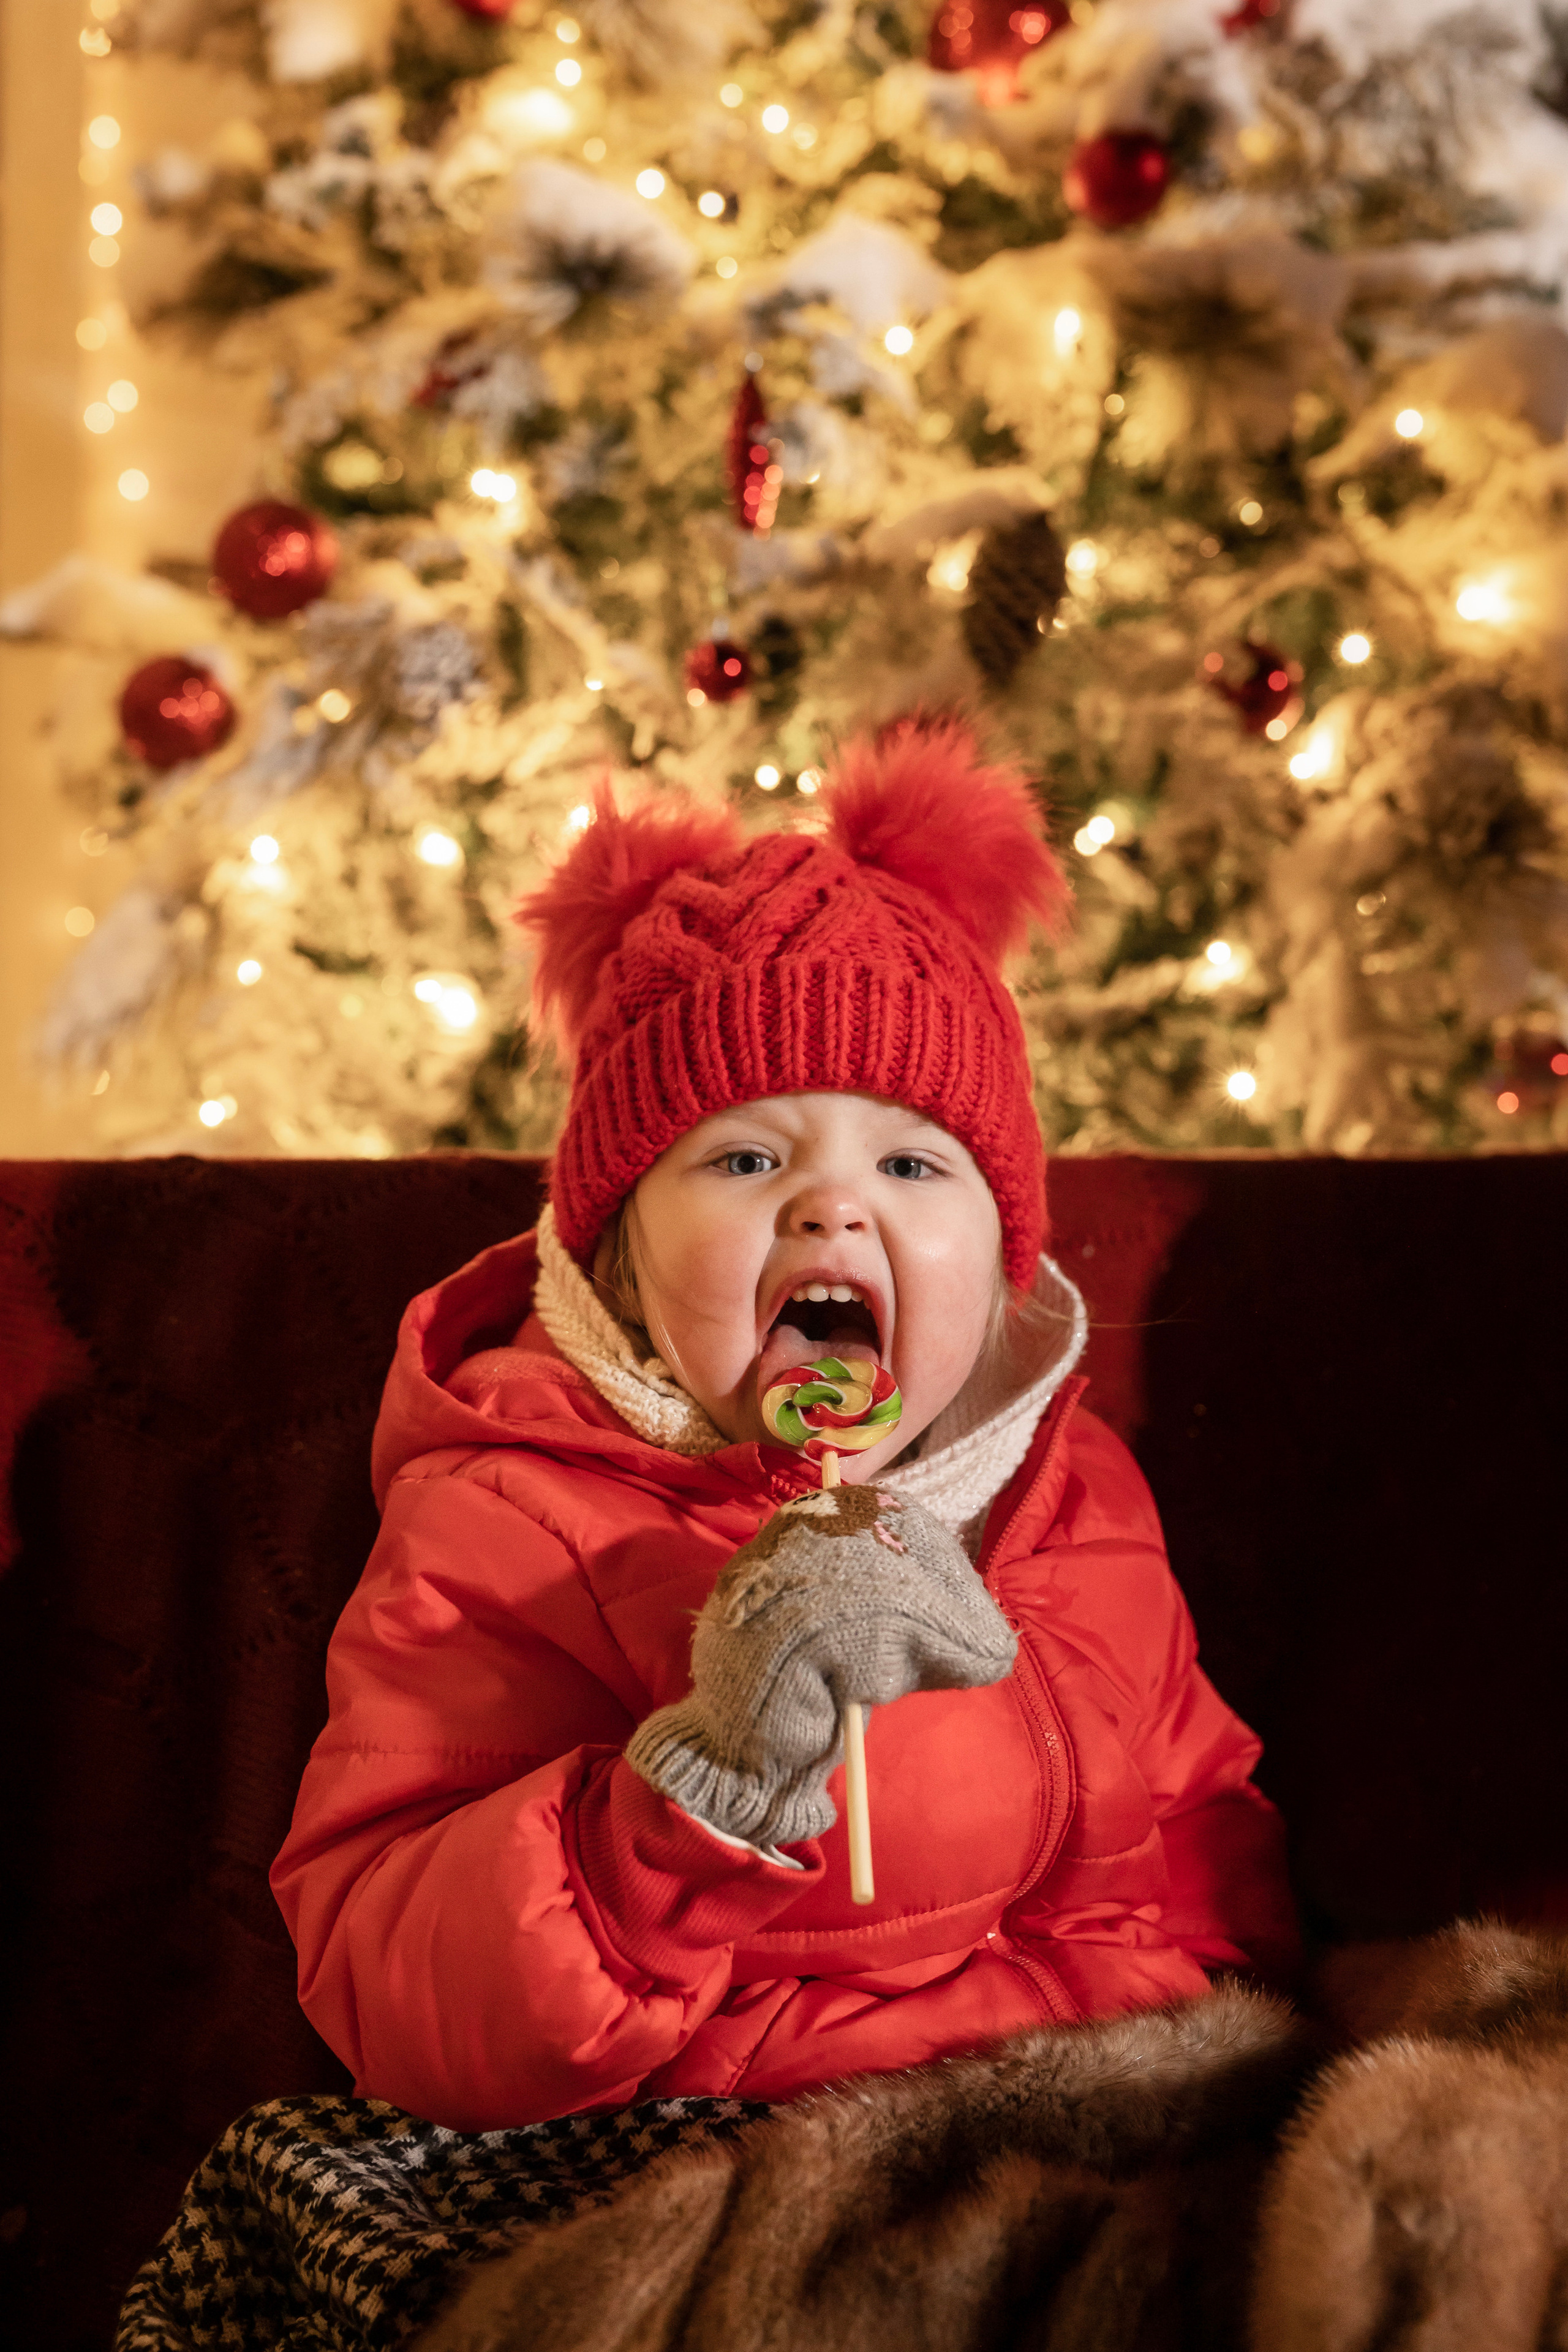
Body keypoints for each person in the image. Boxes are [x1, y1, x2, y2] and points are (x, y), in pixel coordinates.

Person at [270, 720, 1298, 2135]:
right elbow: (394, 1975)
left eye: (912, 1164)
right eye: (747, 1158)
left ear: (1001, 1252)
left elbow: (1202, 1836)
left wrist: (1223, 2040)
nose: (832, 1207)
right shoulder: (516, 1515)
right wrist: (704, 1789)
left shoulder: (1076, 1491)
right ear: (621, 1255)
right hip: (750, 2155)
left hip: (1112, 2123)